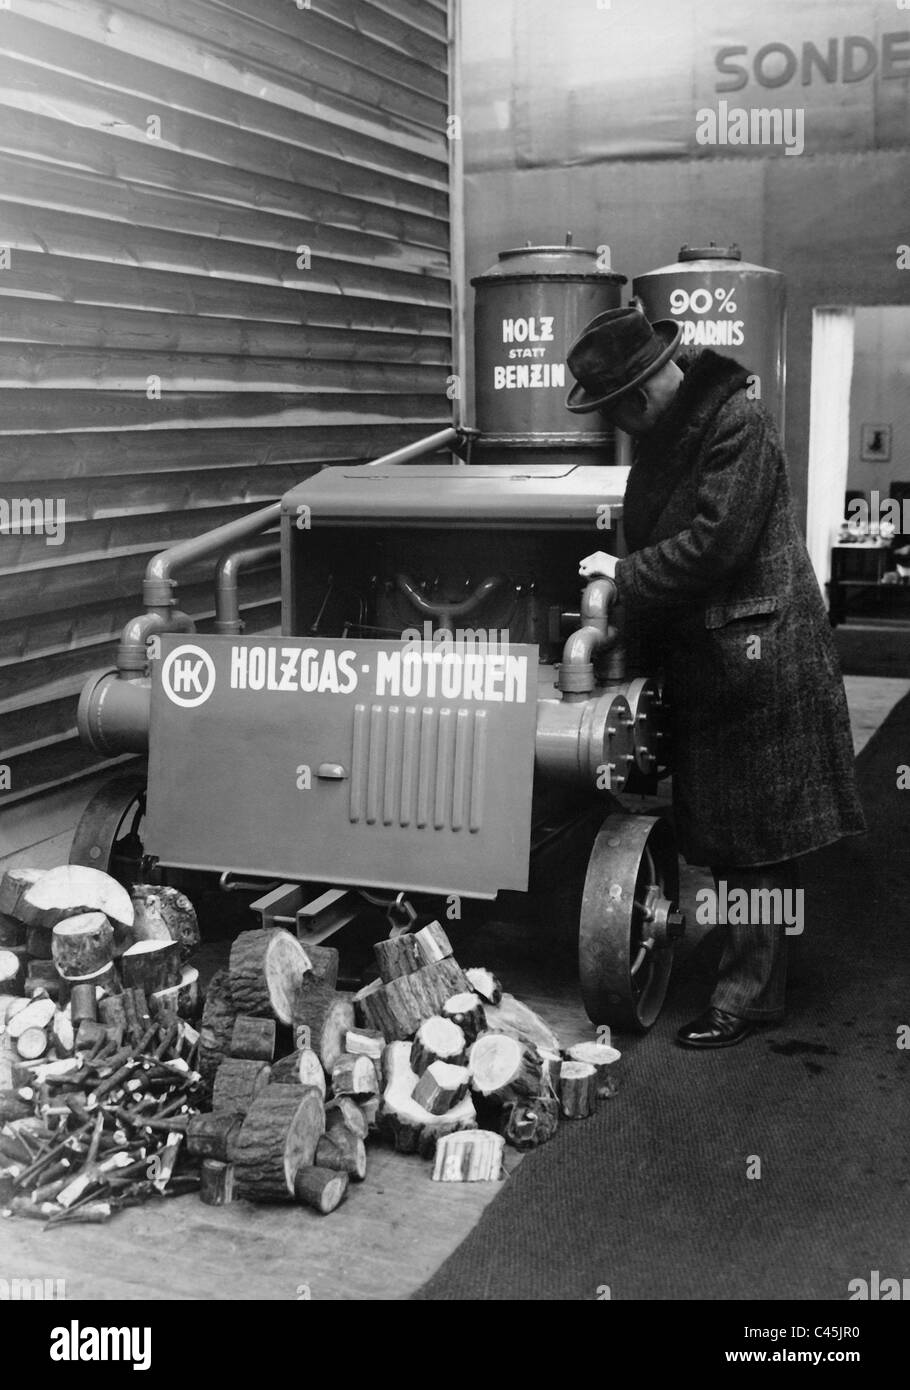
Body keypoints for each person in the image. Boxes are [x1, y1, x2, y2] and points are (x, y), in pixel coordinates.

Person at [566, 303, 866, 1049]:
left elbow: (713, 545)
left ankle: (749, 998)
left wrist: (622, 576)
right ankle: (751, 969)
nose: (622, 426)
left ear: (636, 399)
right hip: (726, 655)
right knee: (743, 835)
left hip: (756, 656)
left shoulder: (736, 423)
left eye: (616, 411)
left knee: (755, 841)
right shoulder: (687, 428)